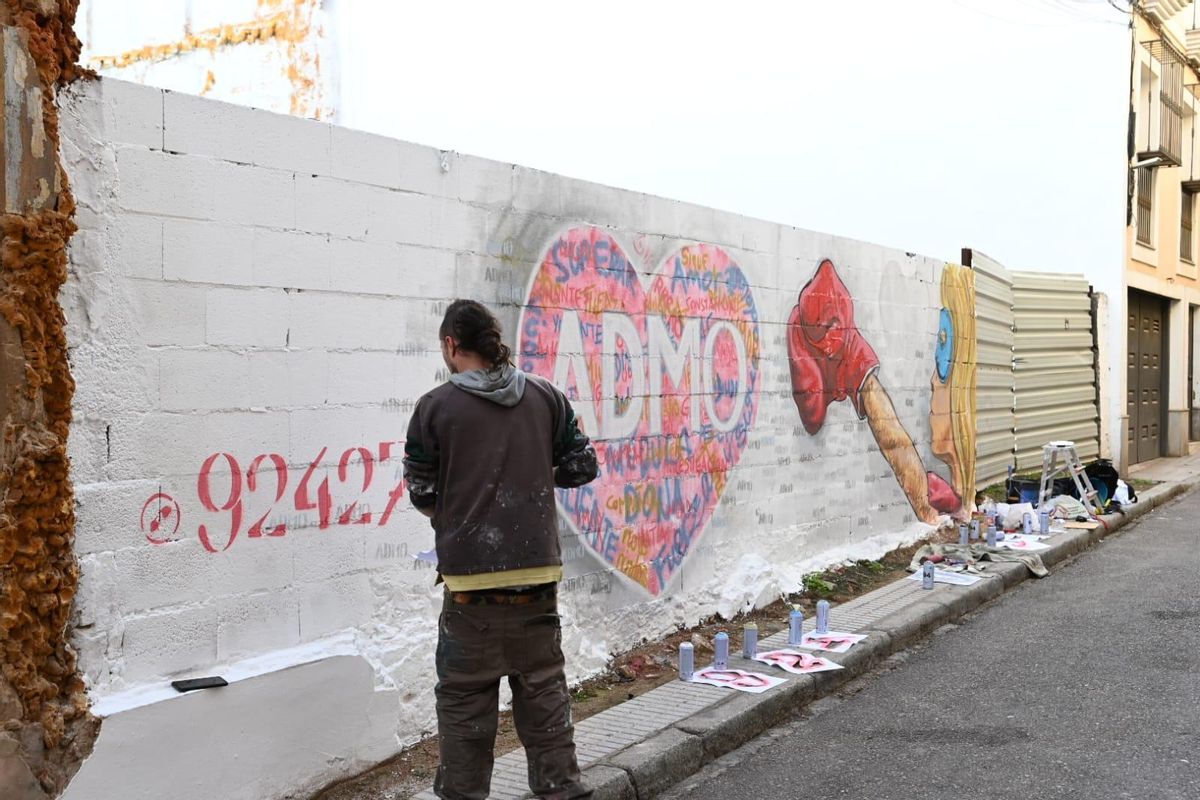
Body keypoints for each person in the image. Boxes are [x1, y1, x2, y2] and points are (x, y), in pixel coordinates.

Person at [404, 299, 599, 800]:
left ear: (451, 344)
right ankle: (562, 789)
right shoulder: (547, 396)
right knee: (544, 700)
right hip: (538, 584)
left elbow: (422, 494)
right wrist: (532, 475)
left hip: (470, 595)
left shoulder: (434, 409)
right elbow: (582, 467)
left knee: (466, 712)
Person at [787, 259, 977, 524]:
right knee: (814, 409)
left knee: (890, 430)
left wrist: (926, 511)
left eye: (834, 330)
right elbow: (811, 414)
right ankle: (941, 502)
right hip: (812, 359)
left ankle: (941, 502)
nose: (830, 344)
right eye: (824, 333)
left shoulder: (852, 347)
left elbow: (893, 438)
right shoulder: (799, 332)